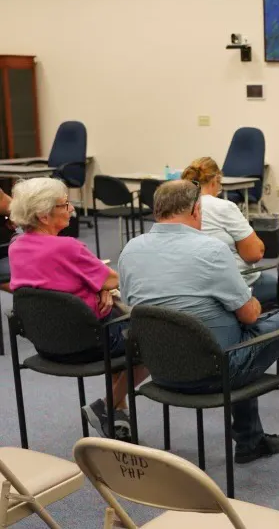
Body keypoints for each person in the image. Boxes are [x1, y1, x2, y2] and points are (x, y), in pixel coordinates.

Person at [118, 180, 279, 463]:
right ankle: (249, 439)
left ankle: (250, 436)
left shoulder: (130, 250)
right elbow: (251, 313)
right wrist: (245, 302)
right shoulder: (211, 250)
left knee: (235, 329)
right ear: (196, 210)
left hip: (160, 367)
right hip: (215, 370)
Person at [7, 178, 149, 441]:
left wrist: (99, 288)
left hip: (46, 342)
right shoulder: (67, 247)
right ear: (43, 215)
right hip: (87, 343)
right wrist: (104, 285)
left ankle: (119, 418)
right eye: (64, 204)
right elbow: (115, 279)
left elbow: (60, 281)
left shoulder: (17, 247)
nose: (71, 209)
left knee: (117, 320)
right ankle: (107, 407)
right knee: (151, 340)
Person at [180, 157, 279, 310]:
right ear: (215, 181)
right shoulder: (223, 207)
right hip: (229, 285)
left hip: (188, 282)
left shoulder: (179, 206)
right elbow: (255, 254)